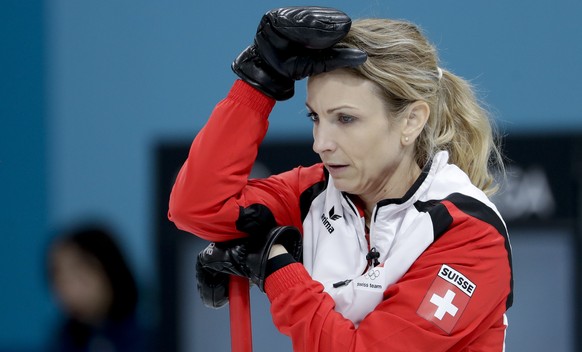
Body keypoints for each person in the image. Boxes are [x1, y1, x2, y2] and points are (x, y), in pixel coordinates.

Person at [169, 6, 513, 351]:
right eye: (315, 117)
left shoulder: (470, 232)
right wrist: (260, 80)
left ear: (411, 121)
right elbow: (197, 207)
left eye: (345, 119)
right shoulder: (315, 194)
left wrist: (274, 264)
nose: (321, 144)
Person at [46, 224, 149, 352]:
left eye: (78, 271)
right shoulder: (63, 340)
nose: (65, 285)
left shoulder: (151, 335)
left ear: (110, 269)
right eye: (57, 274)